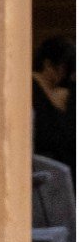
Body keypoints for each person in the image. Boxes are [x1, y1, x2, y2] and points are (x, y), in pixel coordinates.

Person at [37, 36, 72, 172]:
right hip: (45, 162)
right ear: (48, 65)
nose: (64, 75)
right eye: (62, 69)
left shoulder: (63, 91)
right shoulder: (34, 89)